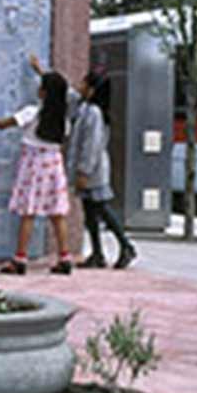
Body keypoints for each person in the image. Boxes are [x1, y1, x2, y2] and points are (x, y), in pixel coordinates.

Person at [0, 69, 74, 275]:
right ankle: (65, 257)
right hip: (54, 165)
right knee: (57, 214)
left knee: (28, 212)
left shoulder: (31, 113)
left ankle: (20, 259)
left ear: (43, 92)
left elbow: (2, 125)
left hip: (34, 164)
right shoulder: (63, 122)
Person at [68, 68, 138, 269]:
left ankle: (126, 245)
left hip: (93, 172)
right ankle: (97, 253)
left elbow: (92, 145)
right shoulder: (86, 108)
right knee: (90, 212)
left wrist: (84, 171)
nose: (79, 86)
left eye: (83, 83)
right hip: (90, 171)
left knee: (102, 208)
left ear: (92, 90)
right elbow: (69, 93)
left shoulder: (94, 114)